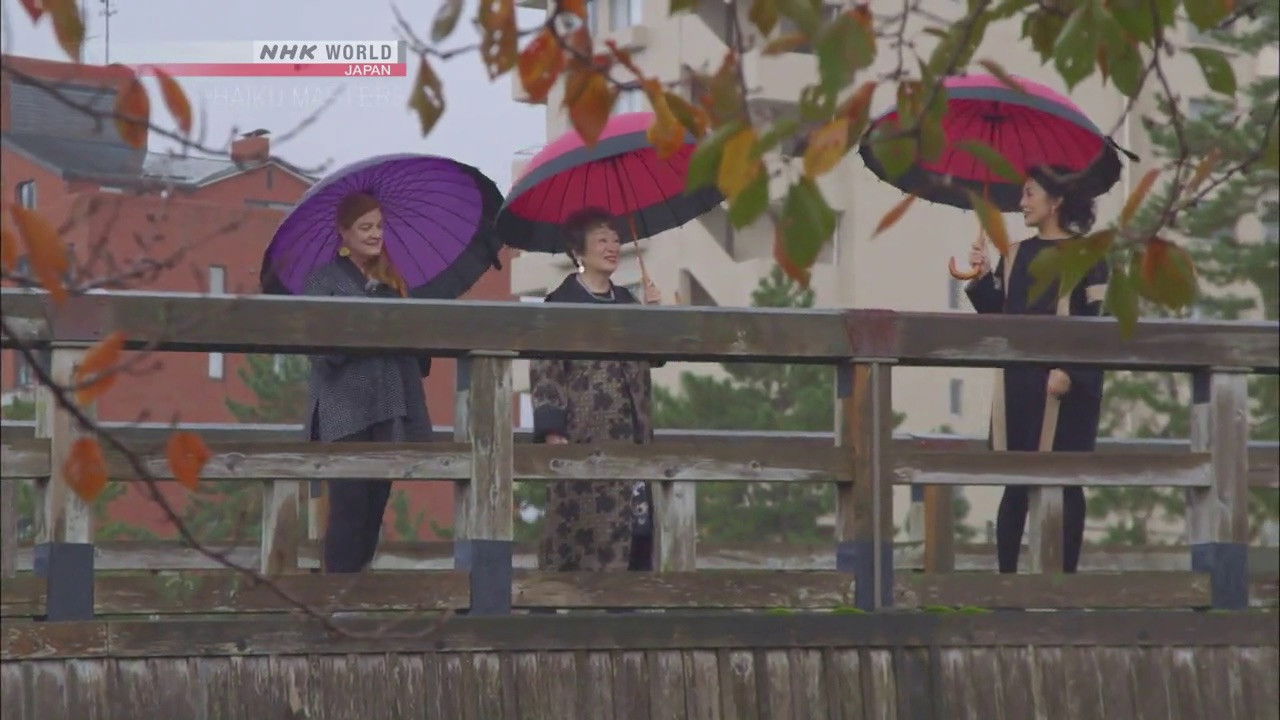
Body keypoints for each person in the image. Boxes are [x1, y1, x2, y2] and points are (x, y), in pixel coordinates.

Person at [965, 165, 1108, 574]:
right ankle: (1008, 584)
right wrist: (980, 277)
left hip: (1069, 386)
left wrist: (1069, 370)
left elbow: (1098, 322)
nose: (1021, 203)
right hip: (1020, 385)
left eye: (1030, 194)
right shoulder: (1014, 255)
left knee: (1067, 482)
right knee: (1016, 482)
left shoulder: (1090, 256)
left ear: (1056, 201)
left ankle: (1065, 584)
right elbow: (998, 314)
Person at [304, 192, 433, 573]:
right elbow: (318, 348)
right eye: (365, 227)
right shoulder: (323, 281)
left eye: (379, 226)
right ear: (344, 232)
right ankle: (337, 603)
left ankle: (357, 596)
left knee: (374, 509)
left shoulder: (392, 281)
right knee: (348, 509)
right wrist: (363, 320)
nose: (375, 234)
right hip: (345, 411)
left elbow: (416, 357)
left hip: (387, 408)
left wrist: (400, 314)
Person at [530, 207, 663, 572]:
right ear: (579, 251)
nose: (612, 246)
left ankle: (627, 616)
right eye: (601, 239)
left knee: (636, 530)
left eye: (616, 239)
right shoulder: (562, 302)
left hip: (631, 436)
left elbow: (653, 357)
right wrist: (552, 429)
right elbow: (546, 370)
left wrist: (656, 315)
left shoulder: (627, 301)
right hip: (584, 431)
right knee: (580, 529)